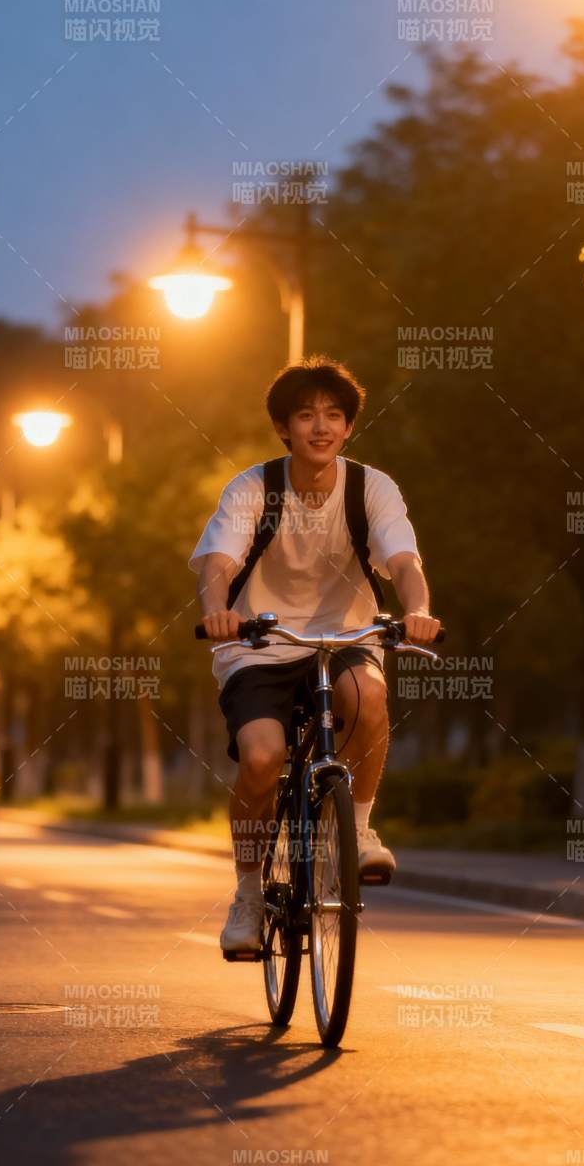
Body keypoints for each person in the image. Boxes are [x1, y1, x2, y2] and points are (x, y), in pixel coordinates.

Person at [189, 356, 442, 955]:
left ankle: (356, 828)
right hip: (259, 643)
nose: (320, 426)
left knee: (369, 697)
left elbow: (403, 560)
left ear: (349, 427)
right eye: (305, 415)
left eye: (333, 415)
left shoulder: (370, 488)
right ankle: (248, 895)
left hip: (348, 636)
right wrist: (218, 610)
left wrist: (419, 611)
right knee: (262, 758)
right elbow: (220, 562)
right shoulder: (254, 488)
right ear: (283, 427)